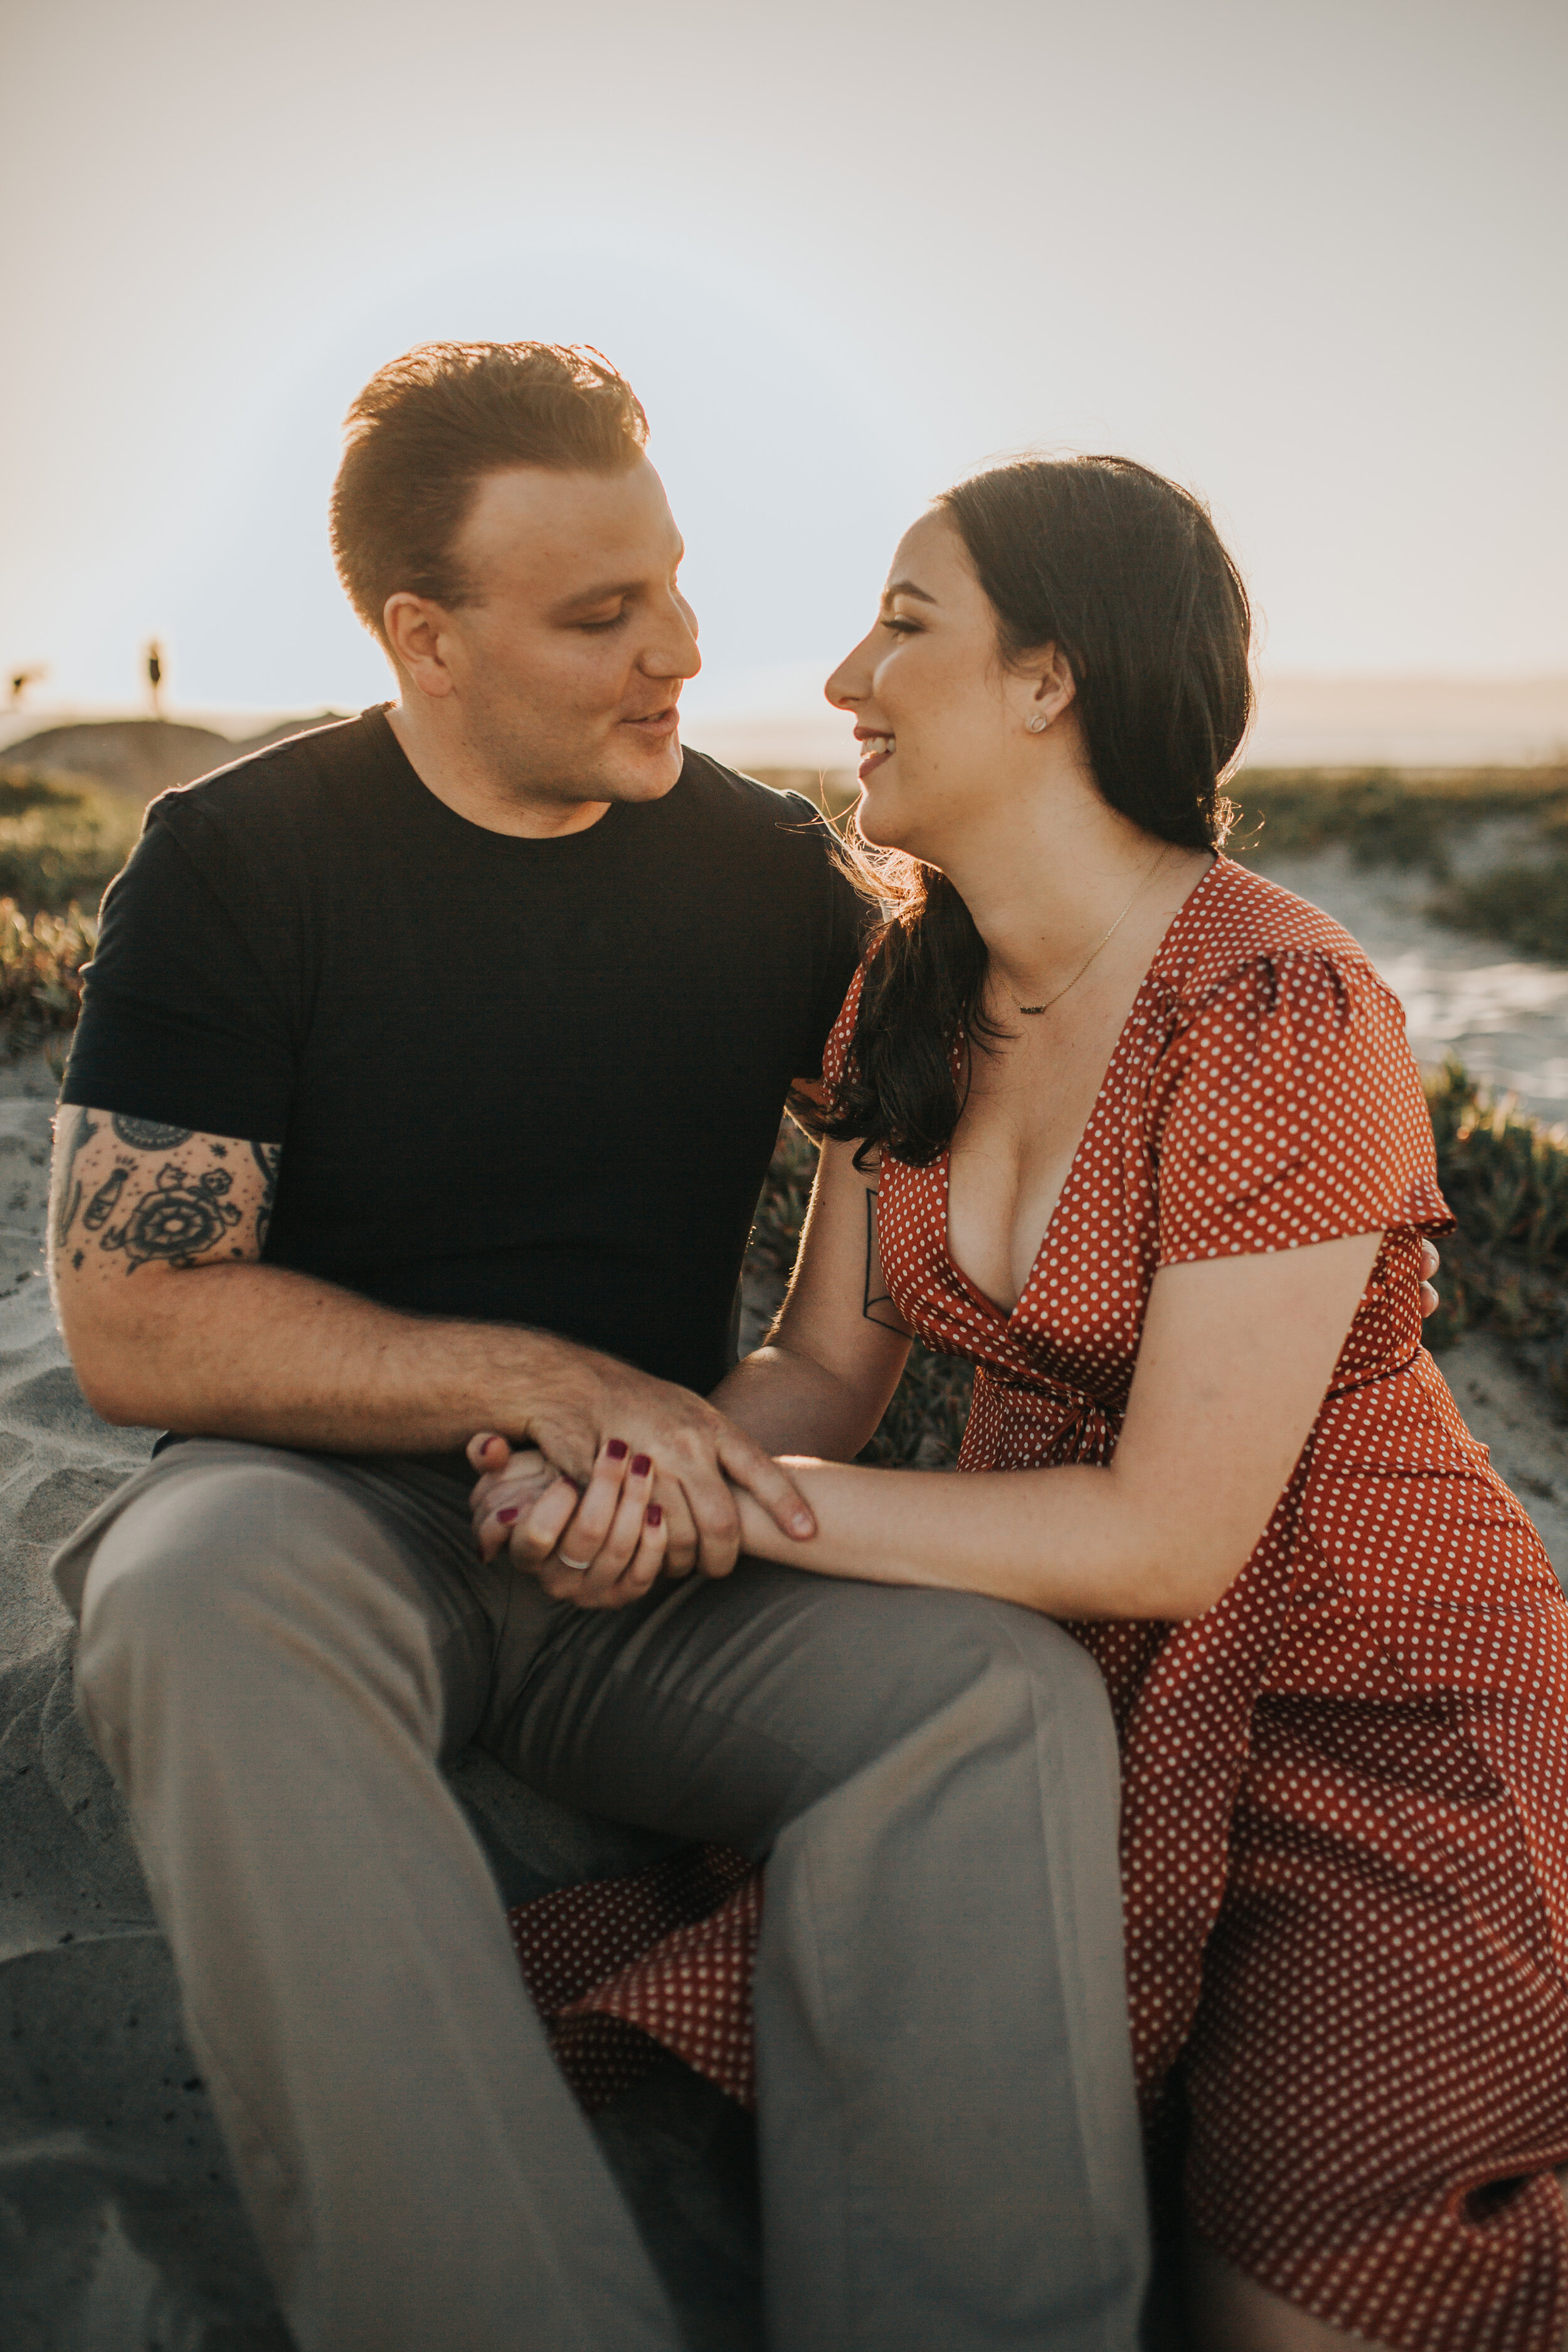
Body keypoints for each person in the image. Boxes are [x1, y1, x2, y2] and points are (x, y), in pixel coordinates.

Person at [45, 344, 1150, 2352]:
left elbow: (916, 1234)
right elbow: (133, 1322)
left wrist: (655, 1468)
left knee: (991, 1693)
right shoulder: (234, 862)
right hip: (320, 1531)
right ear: (424, 636)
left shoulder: (772, 886)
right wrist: (535, 1389)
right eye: (597, 614)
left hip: (654, 1553)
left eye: (671, 584)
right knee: (182, 1591)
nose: (681, 650)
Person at [475, 454, 1568, 2351]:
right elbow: (824, 1367)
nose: (842, 679)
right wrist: (653, 1463)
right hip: (1067, 1690)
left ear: (1051, 678)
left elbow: (1168, 1533)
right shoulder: (912, 987)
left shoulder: (1274, 1010)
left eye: (904, 624)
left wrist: (742, 1510)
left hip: (1376, 1708)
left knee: (1296, 2296)